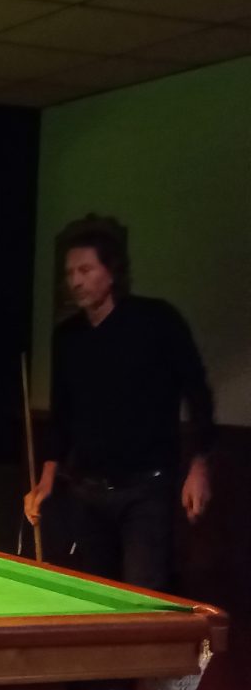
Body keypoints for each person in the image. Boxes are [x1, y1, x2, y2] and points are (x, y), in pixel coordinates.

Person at [24, 214, 215, 594]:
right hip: (87, 490)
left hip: (147, 489)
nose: (75, 281)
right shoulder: (68, 337)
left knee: (143, 595)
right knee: (99, 595)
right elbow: (62, 412)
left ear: (111, 272)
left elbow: (198, 393)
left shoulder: (157, 321)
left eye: (85, 270)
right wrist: (45, 481)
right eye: (70, 273)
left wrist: (199, 466)